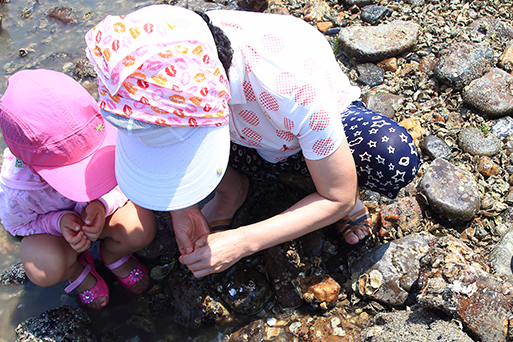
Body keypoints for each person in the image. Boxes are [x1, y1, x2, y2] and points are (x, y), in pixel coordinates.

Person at [84, 4, 419, 278]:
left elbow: (338, 197)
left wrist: (244, 241)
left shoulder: (291, 83)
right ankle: (234, 188)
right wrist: (181, 209)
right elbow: (160, 141)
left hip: (300, 130)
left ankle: (324, 171)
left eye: (188, 139)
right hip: (245, 138)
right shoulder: (151, 49)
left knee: (391, 155)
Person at [0, 69, 157, 310]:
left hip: (101, 214)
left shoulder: (103, 138)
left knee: (140, 229)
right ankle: (76, 270)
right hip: (56, 235)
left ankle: (111, 255)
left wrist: (102, 204)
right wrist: (57, 222)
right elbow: (17, 226)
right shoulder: (18, 190)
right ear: (28, 163)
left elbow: (127, 179)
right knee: (43, 269)